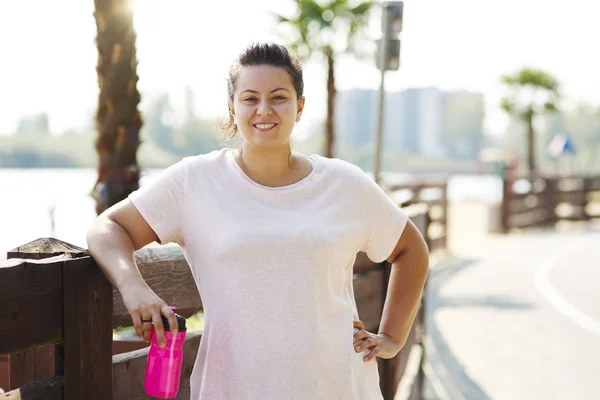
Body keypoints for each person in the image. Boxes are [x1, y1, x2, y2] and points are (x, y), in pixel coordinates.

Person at [86, 42, 429, 400]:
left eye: (278, 97)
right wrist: (135, 289)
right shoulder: (195, 181)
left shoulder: (345, 183)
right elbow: (107, 228)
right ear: (232, 108)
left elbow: (410, 250)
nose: (264, 110)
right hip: (233, 388)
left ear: (300, 106)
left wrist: (390, 339)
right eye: (250, 98)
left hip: (339, 385)